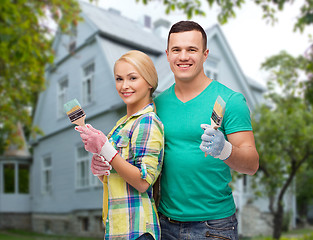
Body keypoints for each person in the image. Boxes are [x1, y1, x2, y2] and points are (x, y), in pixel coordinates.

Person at [154, 21, 259, 240]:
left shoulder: (230, 100)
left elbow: (251, 164)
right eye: (176, 50)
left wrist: (225, 150)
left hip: (214, 226)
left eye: (191, 49)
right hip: (165, 224)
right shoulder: (157, 104)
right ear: (167, 54)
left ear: (205, 54)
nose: (183, 56)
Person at [75, 50, 164, 240]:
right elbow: (117, 177)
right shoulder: (121, 125)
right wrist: (100, 170)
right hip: (117, 228)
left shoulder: (147, 122)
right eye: (119, 79)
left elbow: (143, 182)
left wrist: (106, 149)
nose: (124, 86)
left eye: (132, 78)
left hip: (138, 230)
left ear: (149, 82)